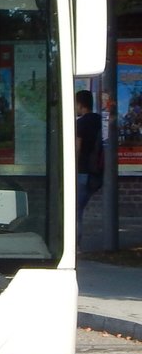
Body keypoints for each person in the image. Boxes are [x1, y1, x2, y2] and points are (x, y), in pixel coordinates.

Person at [75, 89, 102, 250]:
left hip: (83, 171)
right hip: (97, 172)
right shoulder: (100, 120)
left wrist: (73, 168)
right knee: (80, 206)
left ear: (80, 105)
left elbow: (77, 148)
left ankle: (75, 244)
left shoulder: (81, 123)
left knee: (75, 210)